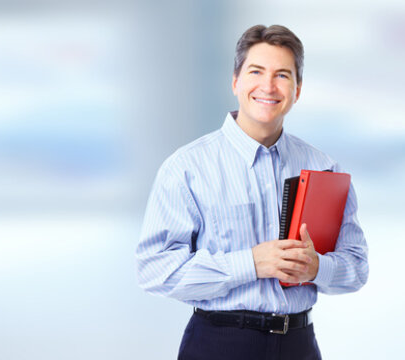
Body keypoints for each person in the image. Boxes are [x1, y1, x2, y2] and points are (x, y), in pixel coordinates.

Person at [136, 24, 369, 360]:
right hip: (219, 343)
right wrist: (250, 263)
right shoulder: (187, 167)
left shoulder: (323, 167)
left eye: (282, 75)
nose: (268, 86)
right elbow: (154, 271)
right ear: (235, 81)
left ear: (298, 89)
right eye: (256, 71)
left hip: (299, 345)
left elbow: (357, 267)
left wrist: (316, 268)